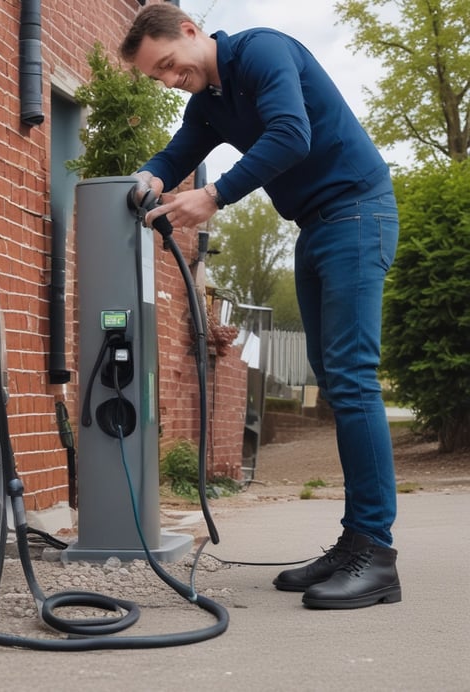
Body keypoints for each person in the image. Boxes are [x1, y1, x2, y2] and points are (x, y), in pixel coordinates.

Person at [121, 4, 401, 610]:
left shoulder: (262, 51)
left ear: (192, 32)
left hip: (358, 211)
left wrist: (215, 195)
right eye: (156, 77)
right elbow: (176, 154)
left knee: (353, 381)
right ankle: (355, 541)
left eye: (169, 64)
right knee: (336, 382)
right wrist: (146, 175)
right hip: (318, 225)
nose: (169, 80)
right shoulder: (211, 102)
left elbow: (291, 133)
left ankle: (376, 554)